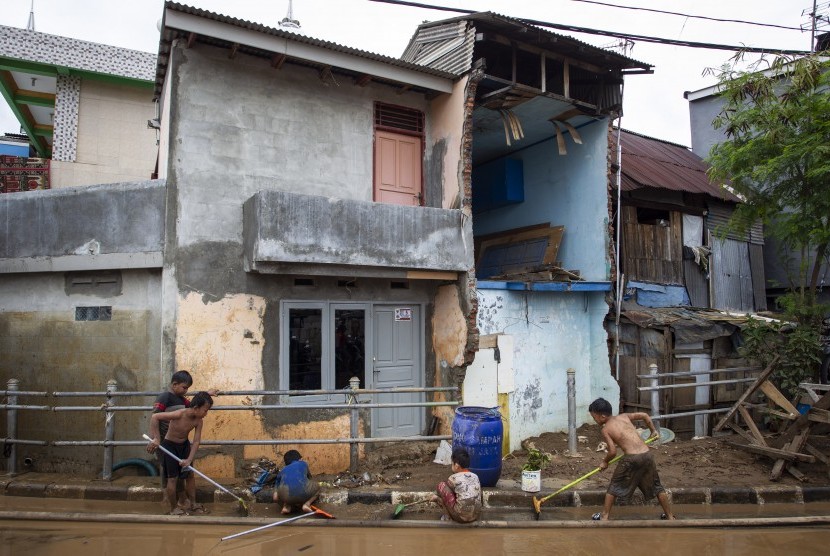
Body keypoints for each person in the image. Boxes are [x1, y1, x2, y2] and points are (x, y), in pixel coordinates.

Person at [588, 397, 675, 521]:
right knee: (657, 487)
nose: (594, 420)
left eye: (594, 417)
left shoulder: (605, 429)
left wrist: (605, 462)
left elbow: (612, 452)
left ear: (602, 416)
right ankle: (670, 516)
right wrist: (653, 431)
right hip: (647, 455)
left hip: (631, 459)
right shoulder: (624, 416)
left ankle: (604, 516)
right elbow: (644, 415)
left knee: (613, 486)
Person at [146, 391, 213, 515]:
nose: (206, 413)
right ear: (196, 407)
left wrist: (189, 459)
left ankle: (193, 504)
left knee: (190, 476)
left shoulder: (198, 421)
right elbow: (155, 417)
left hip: (184, 446)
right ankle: (173, 509)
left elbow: (197, 441)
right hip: (170, 446)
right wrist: (156, 438)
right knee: (173, 479)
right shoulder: (179, 414)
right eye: (205, 410)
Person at [430, 446, 482, 523]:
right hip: (475, 516)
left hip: (460, 517)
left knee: (442, 486)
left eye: (452, 464)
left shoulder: (454, 478)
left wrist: (436, 498)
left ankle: (447, 517)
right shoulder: (475, 476)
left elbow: (445, 494)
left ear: (457, 466)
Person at [273, 449, 320, 514]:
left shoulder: (283, 470)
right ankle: (306, 504)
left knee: (286, 489)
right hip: (302, 493)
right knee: (317, 487)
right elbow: (309, 478)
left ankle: (286, 506)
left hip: (284, 495)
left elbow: (275, 494)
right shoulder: (303, 464)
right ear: (300, 459)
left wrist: (276, 493)